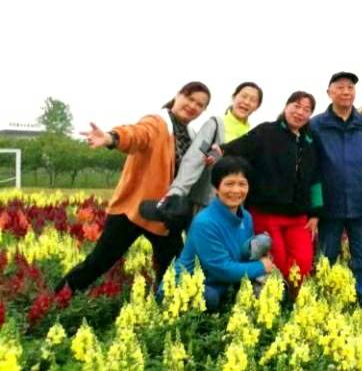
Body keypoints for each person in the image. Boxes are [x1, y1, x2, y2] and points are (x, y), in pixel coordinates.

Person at [56, 81, 211, 293]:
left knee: (174, 269)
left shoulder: (191, 135)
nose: (193, 106)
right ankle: (59, 298)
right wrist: (111, 138)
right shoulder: (157, 122)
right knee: (98, 262)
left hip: (164, 214)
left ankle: (162, 305)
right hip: (133, 210)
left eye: (200, 104)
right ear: (178, 96)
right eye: (190, 98)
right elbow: (136, 134)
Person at [221, 91, 322, 280]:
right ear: (286, 107)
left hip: (298, 216)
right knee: (277, 263)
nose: (300, 112)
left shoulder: (310, 141)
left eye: (306, 109)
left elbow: (316, 178)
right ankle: (277, 297)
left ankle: (294, 296)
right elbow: (234, 150)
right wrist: (216, 152)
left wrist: (316, 213)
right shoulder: (266, 132)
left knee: (303, 262)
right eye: (296, 106)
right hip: (266, 213)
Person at [310, 71, 362, 303]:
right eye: (340, 87)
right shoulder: (316, 125)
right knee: (327, 255)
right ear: (329, 92)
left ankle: (361, 299)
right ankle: (325, 299)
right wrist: (315, 206)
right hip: (329, 205)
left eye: (350, 87)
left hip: (361, 203)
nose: (346, 91)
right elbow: (311, 169)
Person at [173, 156, 274, 310]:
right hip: (187, 288)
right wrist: (261, 266)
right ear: (216, 187)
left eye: (242, 184)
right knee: (210, 298)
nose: (236, 190)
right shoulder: (205, 223)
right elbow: (222, 269)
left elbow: (244, 255)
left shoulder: (246, 217)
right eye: (229, 184)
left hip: (220, 285)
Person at [167, 82, 264, 208]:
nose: (246, 102)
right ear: (234, 97)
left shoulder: (253, 136)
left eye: (253, 100)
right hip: (206, 204)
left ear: (257, 107)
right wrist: (176, 192)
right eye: (243, 96)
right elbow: (195, 157)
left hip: (235, 208)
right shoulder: (214, 125)